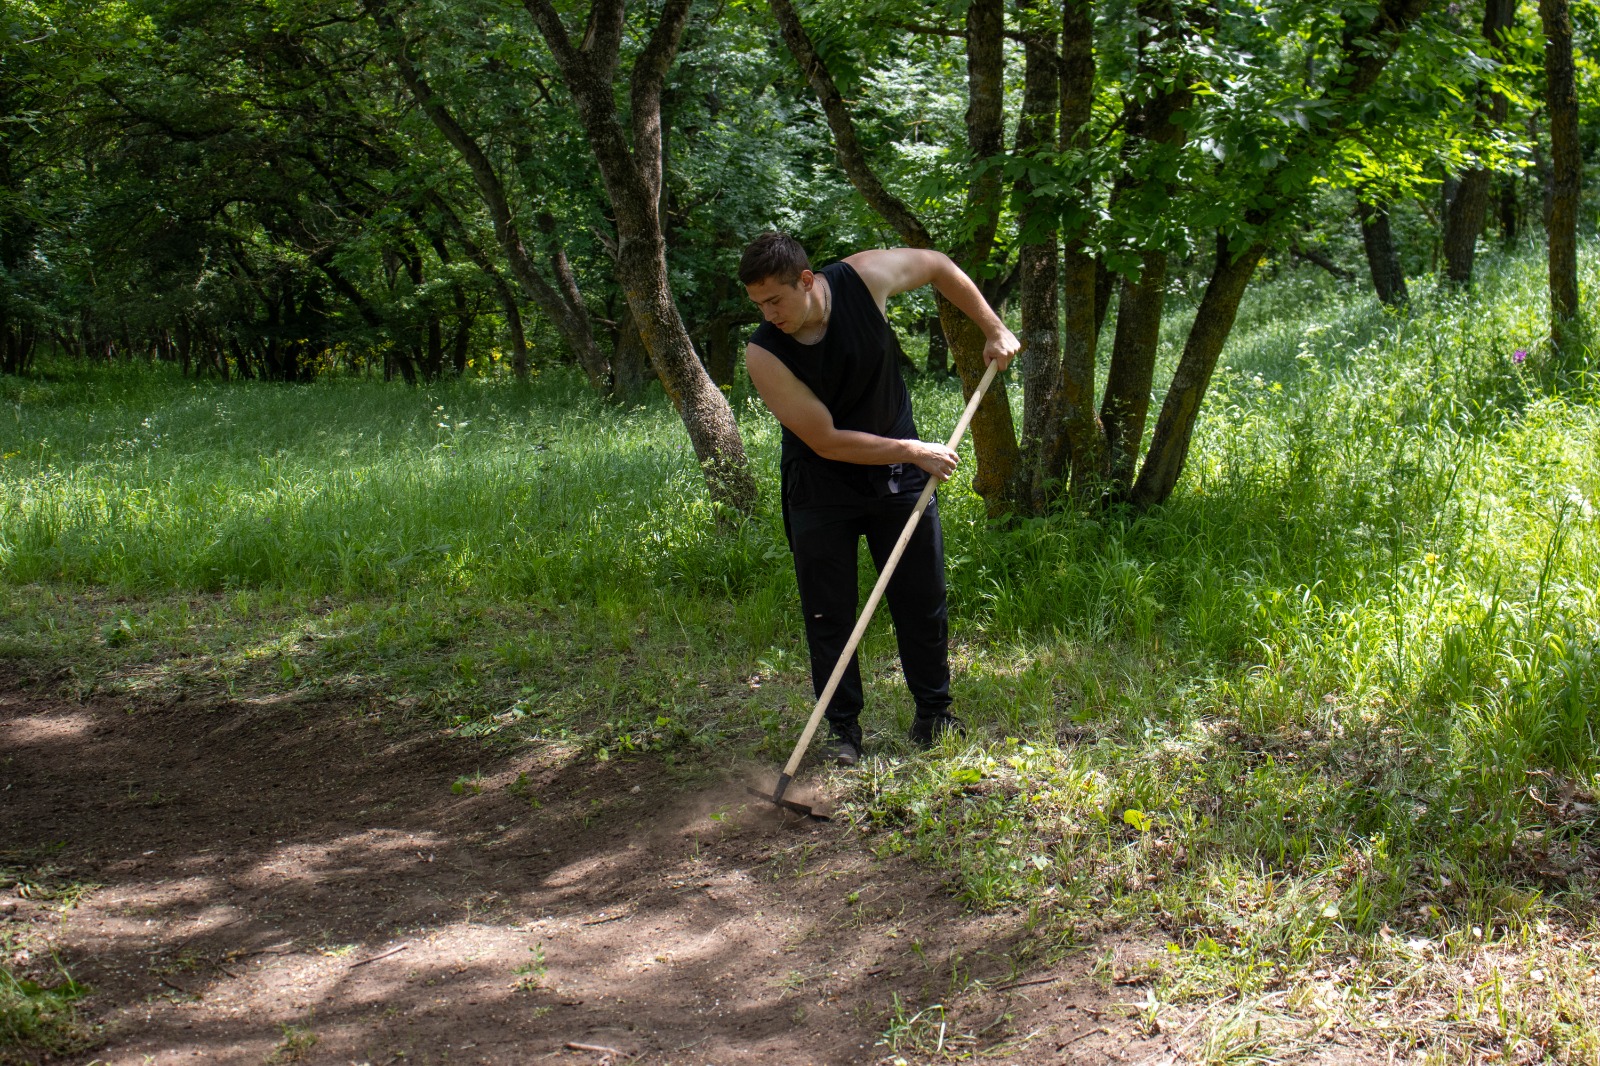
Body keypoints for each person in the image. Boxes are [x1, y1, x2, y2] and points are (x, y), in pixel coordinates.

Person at [738, 232, 1019, 765]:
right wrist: (913, 449)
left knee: (921, 599)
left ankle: (934, 715)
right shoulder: (764, 353)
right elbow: (825, 440)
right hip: (821, 486)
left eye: (775, 300)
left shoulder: (864, 279)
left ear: (806, 280)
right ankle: (842, 731)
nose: (768, 314)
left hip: (899, 475)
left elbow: (938, 265)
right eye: (758, 305)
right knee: (829, 613)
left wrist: (994, 327)